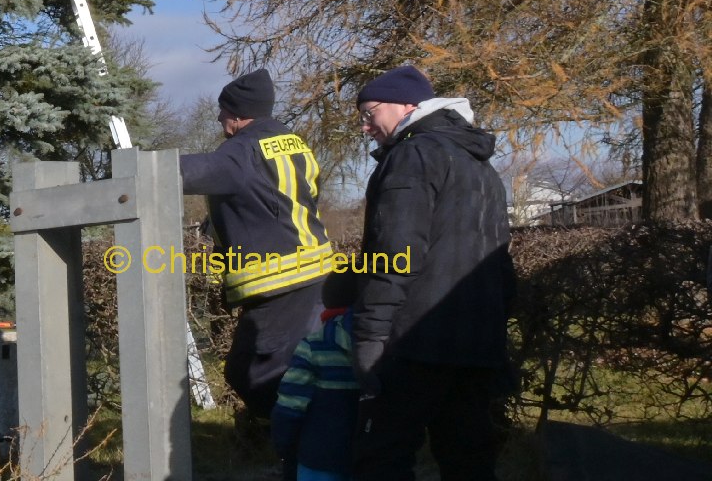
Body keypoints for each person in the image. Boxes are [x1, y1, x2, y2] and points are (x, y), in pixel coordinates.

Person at [351, 65, 515, 481]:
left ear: (407, 106)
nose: (366, 126)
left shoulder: (413, 156)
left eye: (370, 114)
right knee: (468, 458)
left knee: (382, 455)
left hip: (414, 341)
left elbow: (395, 254)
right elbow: (500, 261)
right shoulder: (481, 166)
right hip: (477, 341)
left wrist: (371, 335)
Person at [180, 68, 336, 421]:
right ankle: (311, 447)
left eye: (222, 111)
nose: (219, 117)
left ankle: (313, 446)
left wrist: (135, 165)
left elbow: (186, 172)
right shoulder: (293, 143)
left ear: (237, 115)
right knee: (291, 368)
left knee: (253, 373)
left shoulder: (240, 152)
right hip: (312, 274)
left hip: (281, 281)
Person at [272, 272, 361, 481]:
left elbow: (290, 406)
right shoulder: (384, 344)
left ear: (326, 303)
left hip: (319, 459)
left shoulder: (313, 346)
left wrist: (283, 446)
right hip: (370, 457)